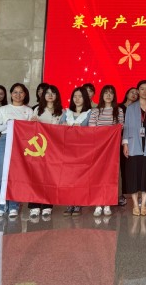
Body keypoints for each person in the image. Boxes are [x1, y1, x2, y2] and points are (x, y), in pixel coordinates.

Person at [0, 83, 33, 218]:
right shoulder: (3, 109)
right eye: (15, 92)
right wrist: (9, 124)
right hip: (5, 140)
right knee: (3, 173)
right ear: (11, 94)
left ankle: (14, 206)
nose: (18, 95)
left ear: (25, 94)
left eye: (21, 92)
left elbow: (31, 129)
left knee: (16, 174)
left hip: (21, 143)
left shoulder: (29, 111)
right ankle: (2, 206)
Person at [123, 80, 146, 216]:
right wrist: (125, 144)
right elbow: (126, 127)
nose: (145, 91)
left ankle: (143, 205)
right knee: (134, 175)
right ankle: (135, 204)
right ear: (138, 91)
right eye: (142, 89)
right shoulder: (131, 108)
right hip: (134, 145)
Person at [28, 85, 64, 217]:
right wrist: (33, 122)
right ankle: (34, 205)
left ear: (57, 96)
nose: (50, 95)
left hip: (54, 149)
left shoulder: (62, 111)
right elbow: (31, 128)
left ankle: (48, 205)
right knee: (36, 175)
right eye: (47, 93)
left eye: (53, 93)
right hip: (39, 148)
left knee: (50, 177)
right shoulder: (38, 109)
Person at [89, 84, 124, 217]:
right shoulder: (95, 111)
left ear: (114, 95)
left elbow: (121, 127)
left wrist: (109, 133)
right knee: (97, 175)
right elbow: (92, 128)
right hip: (98, 148)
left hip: (112, 149)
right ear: (102, 95)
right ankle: (98, 203)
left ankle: (108, 203)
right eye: (106, 93)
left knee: (110, 175)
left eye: (111, 93)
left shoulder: (118, 110)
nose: (108, 95)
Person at [62, 86, 92, 216]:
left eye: (80, 96)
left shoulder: (90, 113)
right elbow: (58, 128)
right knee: (68, 177)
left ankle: (78, 202)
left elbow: (93, 131)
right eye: (75, 96)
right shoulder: (66, 112)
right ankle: (70, 202)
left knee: (80, 177)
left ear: (85, 98)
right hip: (67, 150)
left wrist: (83, 130)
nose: (77, 99)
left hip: (82, 151)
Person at [119, 87, 139, 206]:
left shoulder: (138, 109)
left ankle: (131, 193)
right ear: (126, 93)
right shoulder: (118, 107)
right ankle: (120, 194)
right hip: (118, 141)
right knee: (120, 167)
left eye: (136, 94)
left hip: (133, 141)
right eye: (132, 92)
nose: (134, 95)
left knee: (130, 168)